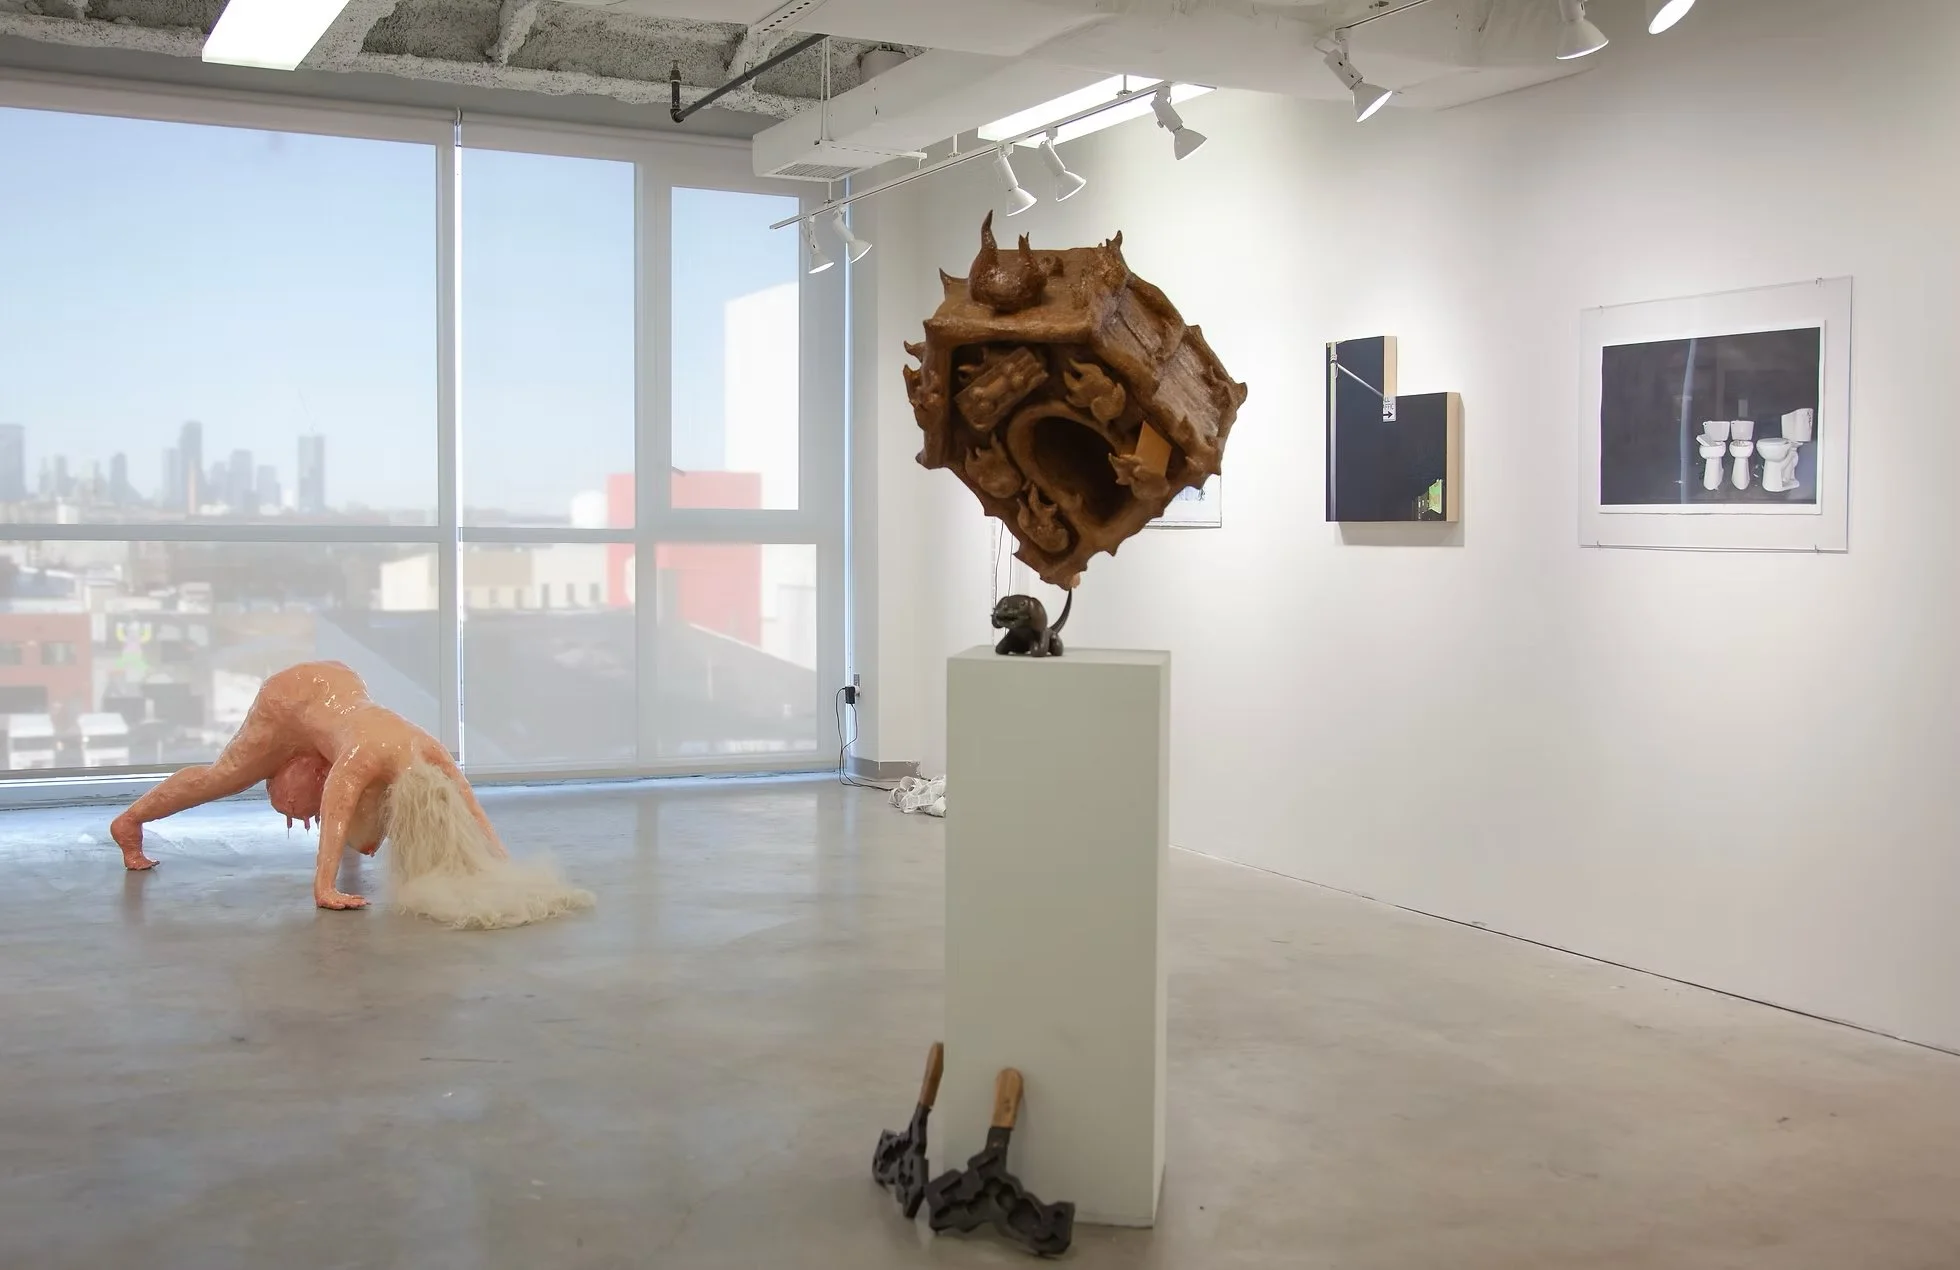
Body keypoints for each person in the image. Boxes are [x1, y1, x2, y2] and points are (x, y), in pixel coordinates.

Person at [111, 661, 512, 912]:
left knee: (363, 803)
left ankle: (131, 821)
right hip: (288, 701)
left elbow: (469, 805)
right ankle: (128, 823)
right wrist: (325, 888)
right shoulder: (365, 755)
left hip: (338, 685)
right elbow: (337, 811)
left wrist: (500, 863)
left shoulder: (424, 749)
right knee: (223, 776)